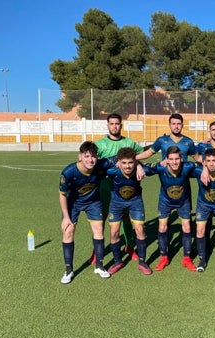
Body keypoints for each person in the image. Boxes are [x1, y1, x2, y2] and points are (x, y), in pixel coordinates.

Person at [58, 141, 118, 284]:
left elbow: (124, 156)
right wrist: (66, 217)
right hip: (73, 203)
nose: (91, 160)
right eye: (87, 156)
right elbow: (62, 195)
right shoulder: (68, 172)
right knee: (68, 231)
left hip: (93, 202)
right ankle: (68, 270)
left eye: (93, 156)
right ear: (80, 157)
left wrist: (141, 162)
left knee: (98, 231)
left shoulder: (101, 165)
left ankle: (100, 266)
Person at [94, 113, 144, 263]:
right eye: (112, 124)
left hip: (125, 187)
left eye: (117, 124)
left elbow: (141, 155)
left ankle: (130, 246)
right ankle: (97, 250)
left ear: (121, 125)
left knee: (127, 216)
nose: (114, 126)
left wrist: (139, 165)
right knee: (101, 217)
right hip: (105, 186)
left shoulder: (129, 142)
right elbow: (90, 161)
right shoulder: (100, 144)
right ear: (107, 125)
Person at [145, 145, 198, 272]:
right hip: (165, 201)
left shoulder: (188, 166)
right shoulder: (160, 167)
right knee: (162, 227)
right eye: (171, 159)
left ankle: (187, 258)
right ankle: (164, 257)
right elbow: (142, 167)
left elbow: (203, 164)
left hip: (183, 201)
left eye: (177, 159)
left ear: (181, 159)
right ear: (166, 159)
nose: (174, 162)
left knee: (187, 227)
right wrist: (139, 168)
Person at [105, 147, 152, 276]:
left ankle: (142, 262)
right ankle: (118, 261)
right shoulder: (112, 171)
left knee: (140, 229)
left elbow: (158, 168)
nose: (127, 166)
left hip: (135, 202)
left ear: (134, 161)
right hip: (116, 203)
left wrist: (141, 165)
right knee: (114, 232)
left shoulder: (141, 171)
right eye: (124, 163)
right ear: (119, 162)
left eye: (130, 162)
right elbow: (95, 167)